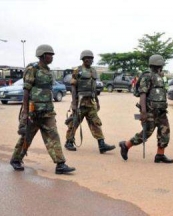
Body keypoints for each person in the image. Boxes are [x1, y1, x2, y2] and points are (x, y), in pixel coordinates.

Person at [10, 44, 75, 174]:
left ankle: (60, 164)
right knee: (26, 136)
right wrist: (25, 112)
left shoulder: (48, 71)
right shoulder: (32, 68)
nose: (51, 57)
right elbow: (26, 90)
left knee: (53, 136)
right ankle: (16, 159)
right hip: (33, 111)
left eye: (52, 55)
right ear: (42, 55)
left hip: (47, 111)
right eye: (49, 54)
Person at [119, 54, 173, 163]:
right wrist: (143, 112)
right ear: (160, 64)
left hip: (161, 111)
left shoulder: (159, 76)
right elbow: (142, 94)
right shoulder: (147, 76)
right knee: (146, 133)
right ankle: (126, 145)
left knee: (165, 132)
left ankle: (160, 155)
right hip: (150, 111)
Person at [64, 50, 115, 153]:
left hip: (91, 102)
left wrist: (97, 100)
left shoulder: (93, 71)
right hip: (80, 102)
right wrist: (74, 103)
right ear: (82, 59)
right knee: (74, 122)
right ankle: (69, 142)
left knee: (95, 122)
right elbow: (73, 87)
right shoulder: (77, 70)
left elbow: (94, 87)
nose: (89, 60)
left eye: (91, 58)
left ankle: (102, 144)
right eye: (87, 58)